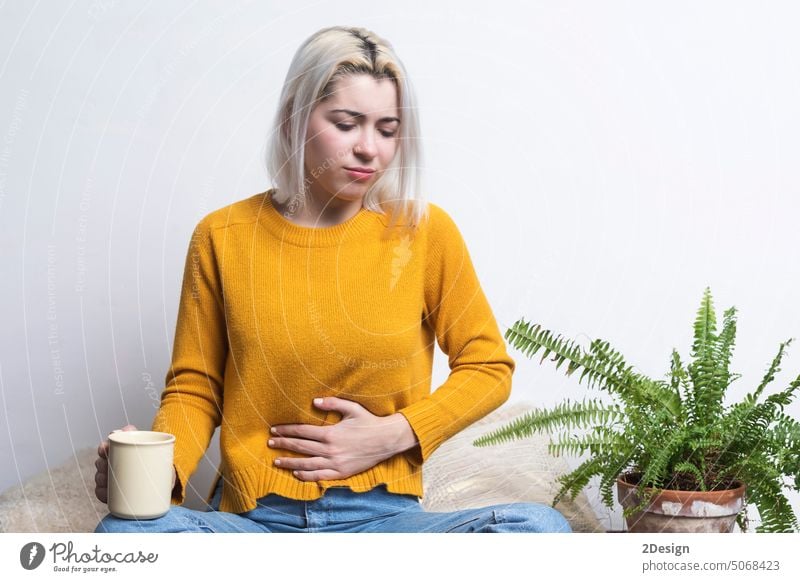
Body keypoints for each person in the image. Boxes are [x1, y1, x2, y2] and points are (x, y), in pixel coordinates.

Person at [93, 25, 571, 533]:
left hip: (385, 522)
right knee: (123, 536)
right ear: (294, 118)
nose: (370, 149)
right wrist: (153, 476)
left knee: (538, 529)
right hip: (255, 524)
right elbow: (196, 388)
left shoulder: (424, 235)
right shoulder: (222, 236)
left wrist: (394, 434)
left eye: (387, 130)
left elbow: (488, 367)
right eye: (347, 123)